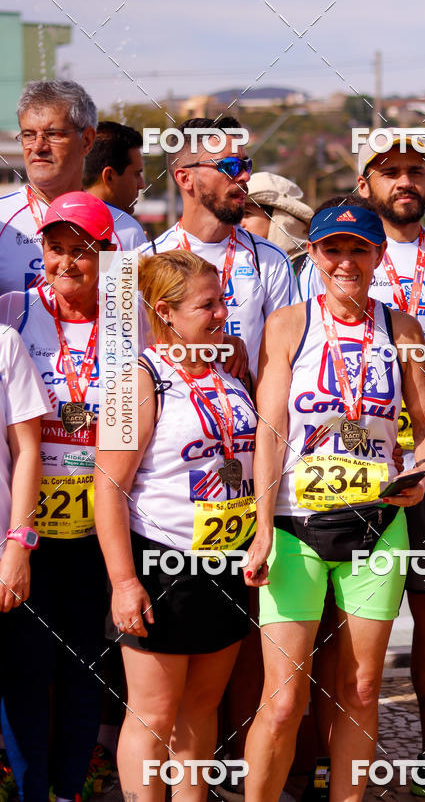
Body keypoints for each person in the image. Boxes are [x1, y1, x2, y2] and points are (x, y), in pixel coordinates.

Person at [299, 135, 425, 801]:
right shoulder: (331, 257)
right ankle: (330, 764)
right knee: (333, 626)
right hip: (345, 467)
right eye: (391, 171)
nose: (406, 181)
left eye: (416, 169)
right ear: (365, 180)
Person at [243, 204, 425, 802]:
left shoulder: (400, 329)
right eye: (333, 250)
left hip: (378, 525)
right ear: (313, 254)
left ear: (379, 256)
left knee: (361, 688)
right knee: (283, 700)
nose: (345, 263)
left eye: (359, 250)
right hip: (297, 524)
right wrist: (260, 528)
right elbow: (270, 431)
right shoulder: (287, 325)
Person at [94, 249, 256, 801]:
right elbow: (107, 489)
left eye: (222, 301)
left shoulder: (226, 371)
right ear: (165, 311)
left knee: (200, 710)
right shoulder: (135, 379)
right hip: (161, 563)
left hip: (227, 560)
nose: (221, 315)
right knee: (153, 714)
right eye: (207, 306)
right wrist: (122, 582)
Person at [0, 192, 116, 802]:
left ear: (108, 253)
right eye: (56, 248)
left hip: (101, 525)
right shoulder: (13, 314)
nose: (67, 262)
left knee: (84, 668)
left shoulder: (131, 317)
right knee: (25, 669)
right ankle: (27, 789)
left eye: (82, 251)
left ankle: (70, 787)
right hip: (30, 523)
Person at [141, 116, 298, 376]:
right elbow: (121, 374)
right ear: (185, 178)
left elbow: (289, 362)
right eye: (230, 166)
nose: (246, 176)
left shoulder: (271, 259)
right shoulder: (139, 262)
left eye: (246, 164)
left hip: (250, 413)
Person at [0, 80, 146, 295]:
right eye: (29, 135)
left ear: (87, 141)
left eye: (53, 134)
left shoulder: (125, 231)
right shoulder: (3, 221)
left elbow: (130, 325)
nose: (38, 147)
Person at [82, 120, 147, 239]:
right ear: (109, 176)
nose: (142, 185)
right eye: (136, 174)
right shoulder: (127, 232)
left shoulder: (54, 217)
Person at [242, 171, 313, 269]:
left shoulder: (310, 268)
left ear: (277, 217)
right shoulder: (239, 264)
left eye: (247, 213)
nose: (240, 224)